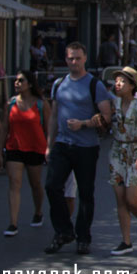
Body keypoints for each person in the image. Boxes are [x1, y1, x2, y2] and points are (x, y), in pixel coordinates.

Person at [44, 42, 113, 255]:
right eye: (70, 58)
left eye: (78, 58)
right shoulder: (59, 83)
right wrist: (49, 144)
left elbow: (107, 117)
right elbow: (54, 116)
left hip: (86, 146)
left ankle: (83, 237)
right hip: (63, 144)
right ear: (66, 60)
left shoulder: (94, 85)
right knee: (52, 186)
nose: (74, 62)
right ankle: (64, 230)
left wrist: (83, 124)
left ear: (85, 59)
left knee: (85, 193)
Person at [107, 67, 137, 256]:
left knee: (131, 199)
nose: (118, 84)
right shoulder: (113, 103)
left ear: (132, 85)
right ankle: (126, 241)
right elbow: (106, 122)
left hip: (135, 152)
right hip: (118, 152)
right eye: (116, 81)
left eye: (123, 81)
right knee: (120, 200)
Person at [0, 71, 51, 236]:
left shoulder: (41, 104)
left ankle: (38, 211)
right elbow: (4, 128)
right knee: (14, 183)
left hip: (35, 148)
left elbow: (48, 129)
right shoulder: (11, 104)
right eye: (16, 80)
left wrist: (49, 148)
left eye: (21, 81)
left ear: (29, 84)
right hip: (14, 147)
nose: (17, 83)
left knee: (35, 184)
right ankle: (13, 223)